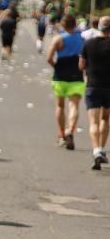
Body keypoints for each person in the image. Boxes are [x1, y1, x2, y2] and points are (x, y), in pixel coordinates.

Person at [46, 14, 86, 150]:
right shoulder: (82, 39)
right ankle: (71, 131)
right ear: (75, 24)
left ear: (63, 25)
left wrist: (56, 67)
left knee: (60, 106)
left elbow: (49, 58)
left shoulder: (58, 39)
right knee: (74, 106)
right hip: (76, 75)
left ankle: (62, 134)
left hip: (60, 76)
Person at [79, 17, 110, 170]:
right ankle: (102, 149)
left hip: (93, 86)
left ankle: (96, 149)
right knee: (105, 118)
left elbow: (81, 65)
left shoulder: (89, 43)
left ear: (99, 27)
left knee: (94, 121)